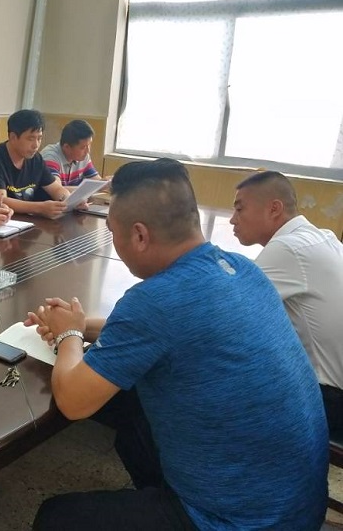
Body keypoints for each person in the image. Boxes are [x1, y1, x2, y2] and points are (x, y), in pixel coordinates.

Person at [24, 158, 328, 530]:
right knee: (134, 412)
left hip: (245, 521)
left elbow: (73, 401)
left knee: (56, 518)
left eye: (114, 233)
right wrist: (78, 324)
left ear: (139, 235)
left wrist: (69, 335)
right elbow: (154, 331)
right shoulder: (241, 268)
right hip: (299, 503)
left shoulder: (155, 301)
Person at [231, 170, 343, 434]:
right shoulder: (323, 237)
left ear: (274, 209)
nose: (233, 219)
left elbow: (227, 311)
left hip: (329, 401)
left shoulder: (288, 248)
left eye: (240, 208)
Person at [0, 109, 74, 219]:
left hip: (26, 222)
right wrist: (41, 208)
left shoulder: (36, 159)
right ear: (13, 137)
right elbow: (1, 200)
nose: (36, 145)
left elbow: (56, 189)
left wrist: (68, 201)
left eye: (39, 138)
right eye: (31, 139)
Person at [40, 119, 103, 192]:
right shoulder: (50, 157)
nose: (88, 151)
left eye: (89, 145)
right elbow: (57, 189)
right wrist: (87, 189)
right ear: (66, 147)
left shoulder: (83, 157)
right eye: (83, 147)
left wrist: (107, 183)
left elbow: (97, 182)